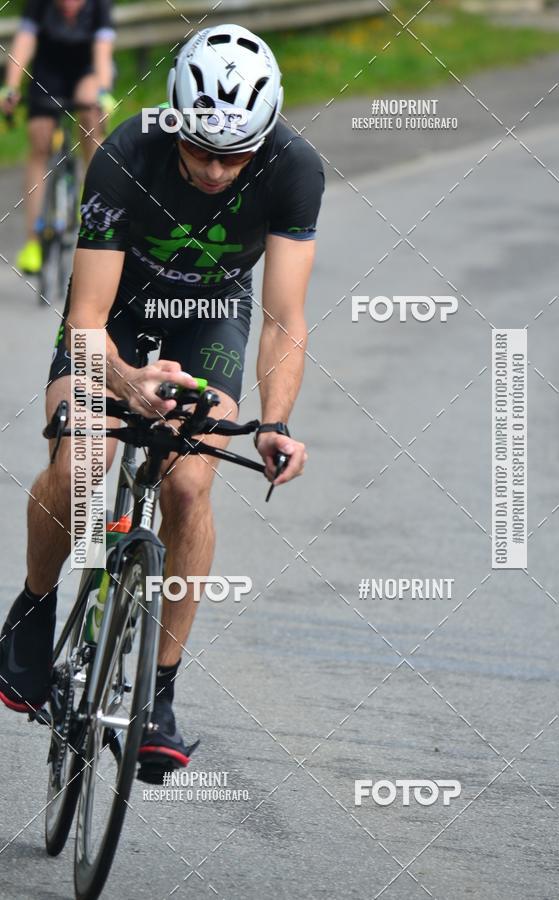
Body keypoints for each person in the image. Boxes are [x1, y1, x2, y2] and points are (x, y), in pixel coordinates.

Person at [0, 24, 324, 781]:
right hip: (113, 312)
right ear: (175, 118)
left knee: (187, 484)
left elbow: (283, 319)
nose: (215, 170)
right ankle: (34, 610)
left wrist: (275, 421)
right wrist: (127, 384)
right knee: (83, 466)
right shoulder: (126, 153)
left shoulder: (295, 167)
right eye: (201, 150)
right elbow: (86, 320)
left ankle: (159, 693)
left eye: (234, 156)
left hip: (211, 314)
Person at [0, 0, 116, 274]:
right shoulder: (39, 4)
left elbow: (102, 52)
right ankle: (33, 241)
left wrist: (102, 93)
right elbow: (25, 41)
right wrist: (11, 87)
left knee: (90, 111)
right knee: (39, 138)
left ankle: (91, 192)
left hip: (88, 71)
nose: (68, 5)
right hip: (49, 72)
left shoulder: (99, 5)